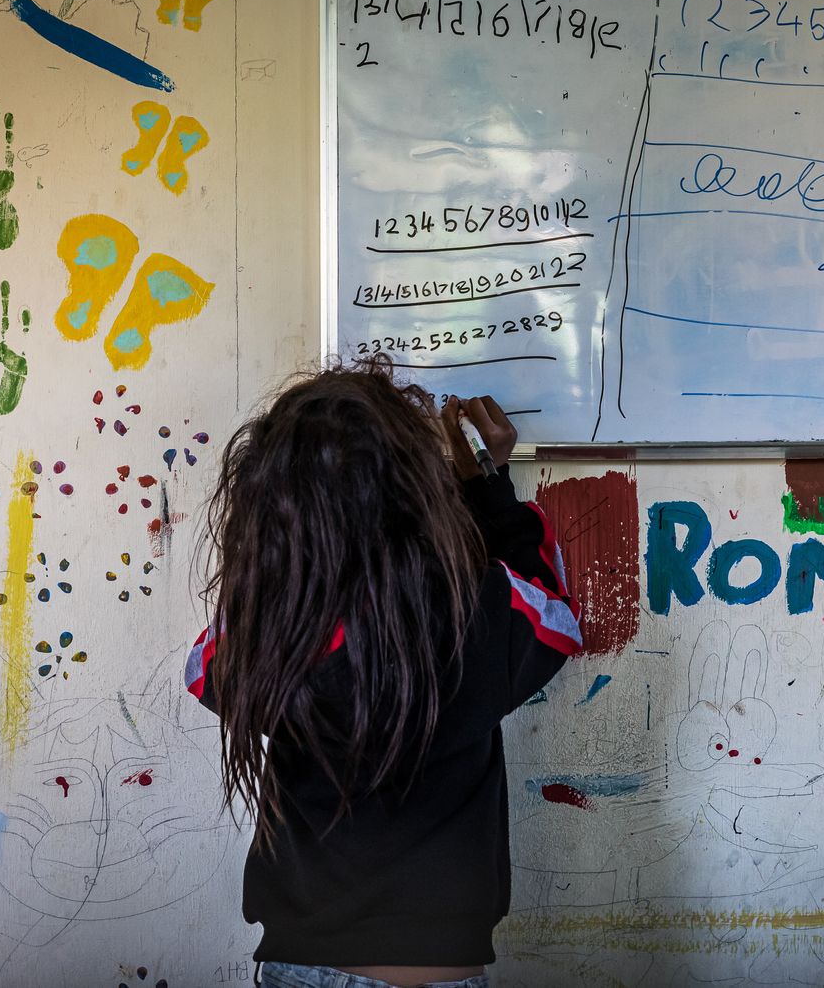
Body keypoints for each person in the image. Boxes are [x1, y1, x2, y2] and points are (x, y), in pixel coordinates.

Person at [185, 359, 582, 988]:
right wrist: (484, 481)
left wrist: (276, 563)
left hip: (299, 967)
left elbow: (204, 667)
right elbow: (553, 616)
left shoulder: (273, 633)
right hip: (442, 967)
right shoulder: (473, 612)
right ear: (416, 494)